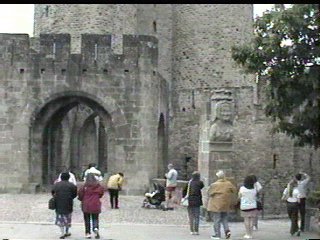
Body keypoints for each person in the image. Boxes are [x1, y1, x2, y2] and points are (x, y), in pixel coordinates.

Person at [207, 170, 237, 240]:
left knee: (216, 219)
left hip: (216, 204)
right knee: (224, 218)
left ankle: (217, 235)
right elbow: (234, 190)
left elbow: (209, 193)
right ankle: (227, 231)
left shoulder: (214, 185)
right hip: (225, 204)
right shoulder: (228, 184)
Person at [78, 173, 105, 239]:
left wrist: (81, 199)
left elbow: (80, 194)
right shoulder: (98, 186)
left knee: (87, 219)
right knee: (95, 218)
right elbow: (101, 193)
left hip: (86, 204)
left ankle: (88, 233)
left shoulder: (84, 186)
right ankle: (95, 228)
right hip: (95, 203)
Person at [52, 172, 78, 239]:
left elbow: (53, 192)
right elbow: (75, 194)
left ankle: (62, 232)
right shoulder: (72, 185)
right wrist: (71, 197)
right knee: (67, 217)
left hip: (59, 202)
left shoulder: (56, 185)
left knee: (60, 217)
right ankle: (67, 231)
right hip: (68, 202)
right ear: (69, 177)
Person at [182, 171, 204, 235]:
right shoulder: (200, 182)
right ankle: (196, 230)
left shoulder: (189, 183)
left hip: (190, 200)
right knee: (197, 216)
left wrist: (183, 197)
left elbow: (184, 190)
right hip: (197, 201)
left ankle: (191, 230)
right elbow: (202, 186)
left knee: (191, 216)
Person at [238, 175, 259, 239]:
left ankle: (247, 233)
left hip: (244, 206)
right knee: (252, 220)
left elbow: (239, 196)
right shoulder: (254, 189)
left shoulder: (242, 188)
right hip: (253, 206)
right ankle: (251, 234)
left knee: (246, 220)